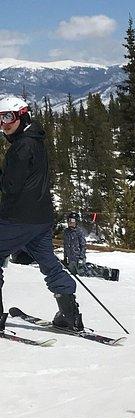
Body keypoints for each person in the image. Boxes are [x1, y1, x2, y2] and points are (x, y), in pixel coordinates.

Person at [0, 95, 82, 331]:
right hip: (41, 218)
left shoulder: (22, 147)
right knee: (48, 261)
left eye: (8, 117)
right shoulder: (35, 140)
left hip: (18, 218)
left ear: (22, 115)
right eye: (0, 119)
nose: (4, 124)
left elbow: (10, 187)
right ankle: (69, 314)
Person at [61, 212, 119, 281]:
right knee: (74, 273)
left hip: (78, 257)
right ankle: (89, 267)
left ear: (76, 222)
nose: (70, 222)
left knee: (84, 273)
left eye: (73, 220)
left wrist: (81, 257)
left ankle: (108, 272)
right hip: (71, 259)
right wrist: (65, 257)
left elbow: (83, 246)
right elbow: (65, 245)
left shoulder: (79, 232)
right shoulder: (66, 232)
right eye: (69, 220)